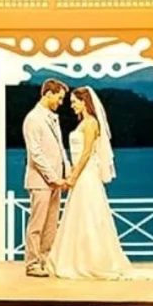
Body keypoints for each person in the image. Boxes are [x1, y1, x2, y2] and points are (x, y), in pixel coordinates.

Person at [49, 86, 133, 280]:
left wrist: (73, 176)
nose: (71, 106)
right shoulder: (83, 123)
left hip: (86, 175)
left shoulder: (90, 124)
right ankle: (77, 258)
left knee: (88, 215)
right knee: (79, 216)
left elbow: (86, 153)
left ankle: (91, 260)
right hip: (81, 173)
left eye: (74, 102)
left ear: (84, 102)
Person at [20, 78, 69, 278]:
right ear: (48, 93)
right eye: (60, 97)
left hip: (56, 181)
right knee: (37, 224)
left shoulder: (52, 118)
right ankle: (32, 263)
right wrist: (53, 177)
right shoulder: (33, 119)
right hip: (40, 181)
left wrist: (66, 173)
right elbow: (36, 153)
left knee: (51, 224)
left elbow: (59, 148)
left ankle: (45, 259)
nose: (61, 102)